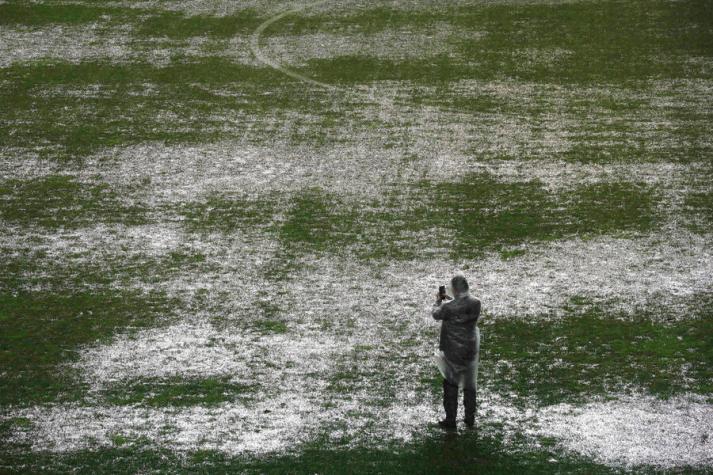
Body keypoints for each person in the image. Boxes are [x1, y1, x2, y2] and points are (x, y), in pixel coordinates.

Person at [431, 273, 481, 429]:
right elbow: (462, 305)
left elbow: (436, 314)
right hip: (470, 347)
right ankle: (469, 417)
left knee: (451, 383)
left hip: (453, 349)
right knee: (470, 384)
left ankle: (451, 419)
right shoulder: (476, 303)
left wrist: (438, 300)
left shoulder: (448, 308)